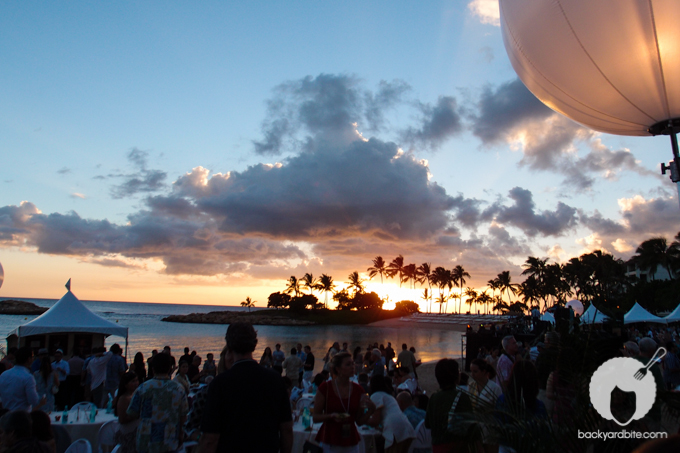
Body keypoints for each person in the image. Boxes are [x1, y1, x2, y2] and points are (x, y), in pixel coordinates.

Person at [199, 322, 293, 453]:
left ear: (229, 346)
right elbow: (286, 429)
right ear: (254, 345)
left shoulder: (220, 384)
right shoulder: (275, 380)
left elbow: (210, 439)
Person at [127, 352, 188, 453]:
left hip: (146, 441)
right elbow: (183, 416)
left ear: (153, 368)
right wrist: (181, 434)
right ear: (169, 369)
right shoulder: (179, 389)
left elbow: (132, 413)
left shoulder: (143, 388)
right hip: (169, 441)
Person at [312, 352, 373, 453]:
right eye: (348, 364)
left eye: (353, 363)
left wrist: (371, 410)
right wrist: (331, 416)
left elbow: (359, 421)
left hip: (351, 441)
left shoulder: (359, 390)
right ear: (338, 369)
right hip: (330, 440)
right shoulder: (325, 388)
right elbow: (315, 417)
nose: (352, 367)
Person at [425, 359, 473, 453]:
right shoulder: (462, 397)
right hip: (458, 447)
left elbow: (428, 424)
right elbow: (472, 428)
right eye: (458, 371)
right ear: (455, 377)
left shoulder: (434, 398)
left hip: (438, 448)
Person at [368, 375, 415, 453]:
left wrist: (362, 420)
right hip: (407, 429)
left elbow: (375, 420)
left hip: (395, 432)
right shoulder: (390, 397)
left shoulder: (376, 396)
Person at [0, 347, 45, 412]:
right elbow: (33, 401)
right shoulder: (28, 377)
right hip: (21, 416)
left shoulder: (3, 375)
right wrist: (41, 401)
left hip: (5, 415)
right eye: (32, 357)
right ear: (29, 359)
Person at [113, 372, 140, 453]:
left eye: (137, 380)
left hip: (135, 432)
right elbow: (122, 419)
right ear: (126, 385)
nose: (136, 383)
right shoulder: (124, 398)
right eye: (133, 381)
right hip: (127, 434)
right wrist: (137, 415)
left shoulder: (135, 395)